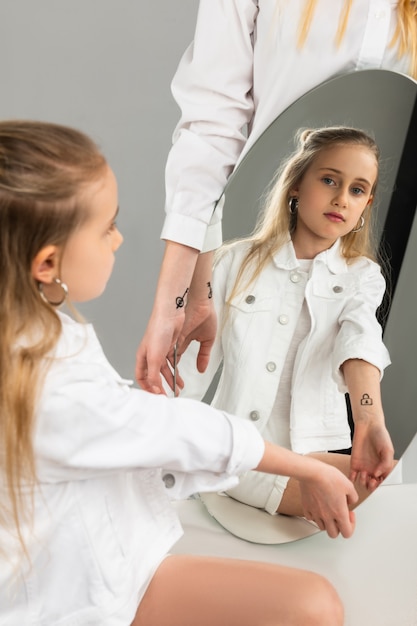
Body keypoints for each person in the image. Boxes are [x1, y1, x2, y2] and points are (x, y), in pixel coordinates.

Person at [0, 119, 358, 626]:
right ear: (46, 263)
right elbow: (166, 430)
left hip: (114, 569)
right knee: (314, 607)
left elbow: (123, 428)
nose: (119, 239)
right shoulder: (40, 383)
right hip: (86, 601)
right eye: (106, 227)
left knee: (316, 604)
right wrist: (304, 466)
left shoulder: (42, 334)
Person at [136, 0, 417, 401]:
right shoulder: (234, 266)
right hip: (244, 253)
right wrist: (178, 296)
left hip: (389, 280)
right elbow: (211, 127)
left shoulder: (364, 281)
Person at [168, 126, 395, 516]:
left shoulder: (363, 277)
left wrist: (369, 419)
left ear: (366, 205)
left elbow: (360, 344)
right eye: (329, 180)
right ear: (295, 185)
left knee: (394, 489)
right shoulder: (231, 263)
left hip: (310, 456)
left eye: (357, 190)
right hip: (237, 453)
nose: (341, 199)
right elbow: (188, 373)